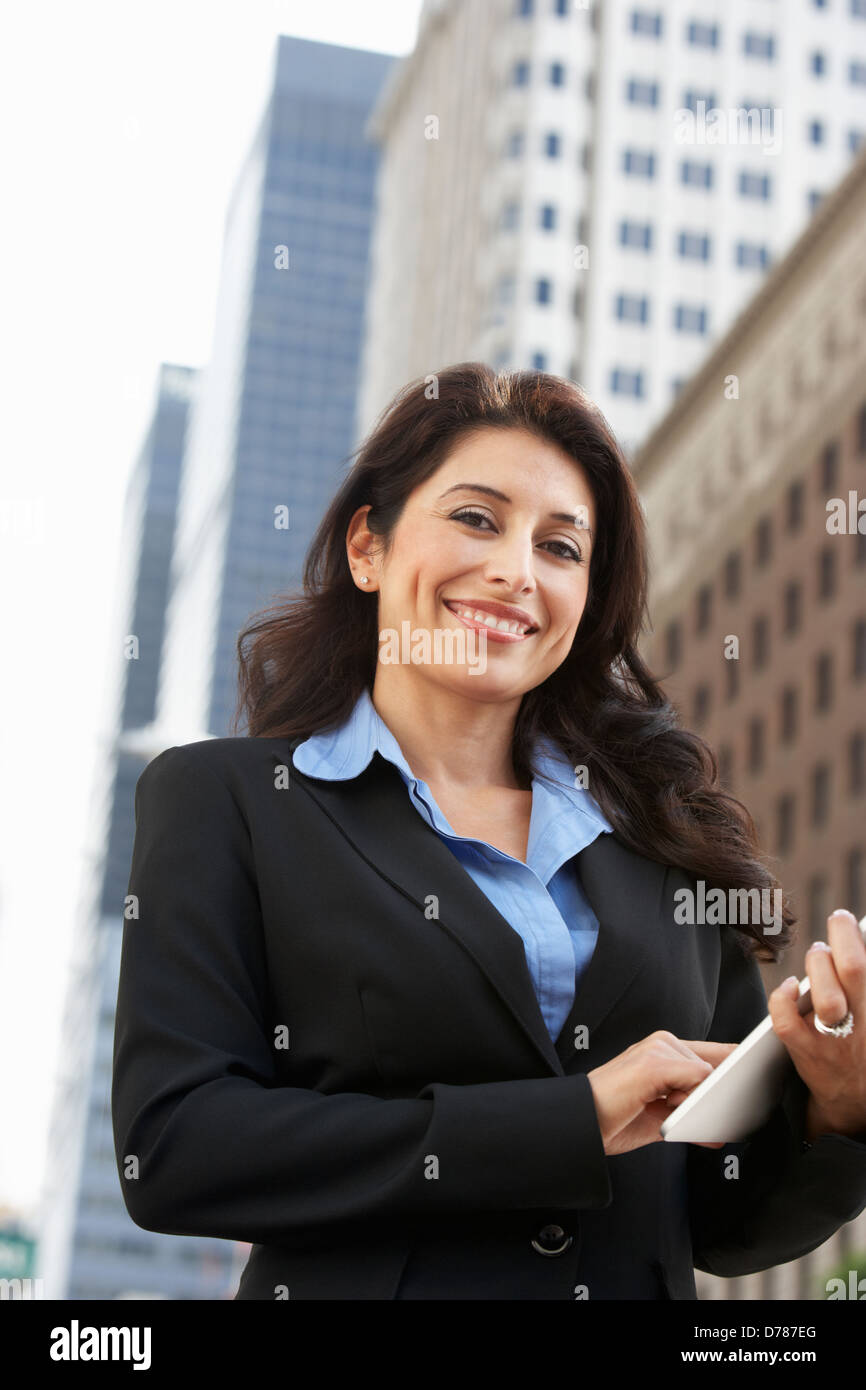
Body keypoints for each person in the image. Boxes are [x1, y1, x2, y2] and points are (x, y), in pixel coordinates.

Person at [112, 363, 866, 1300]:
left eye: (561, 547)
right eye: (477, 519)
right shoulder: (227, 803)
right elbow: (176, 1147)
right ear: (368, 549)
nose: (517, 571)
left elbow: (719, 1220)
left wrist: (838, 1109)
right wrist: (571, 1118)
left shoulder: (662, 838)